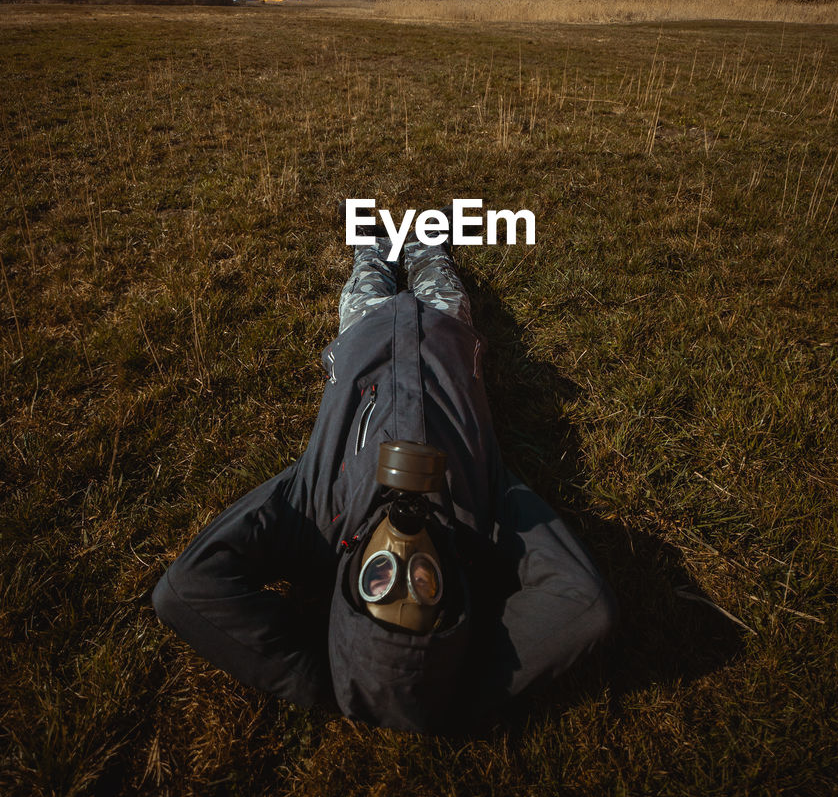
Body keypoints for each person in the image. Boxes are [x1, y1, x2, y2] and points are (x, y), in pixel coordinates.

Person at [152, 210, 617, 733]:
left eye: (378, 580)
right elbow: (585, 602)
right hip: (447, 335)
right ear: (453, 590)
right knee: (434, 259)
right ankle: (422, 244)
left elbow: (185, 589)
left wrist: (324, 680)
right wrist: (469, 693)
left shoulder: (311, 512)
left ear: (347, 588)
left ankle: (377, 243)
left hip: (365, 333)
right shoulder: (486, 514)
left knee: (369, 260)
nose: (402, 553)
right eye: (426, 582)